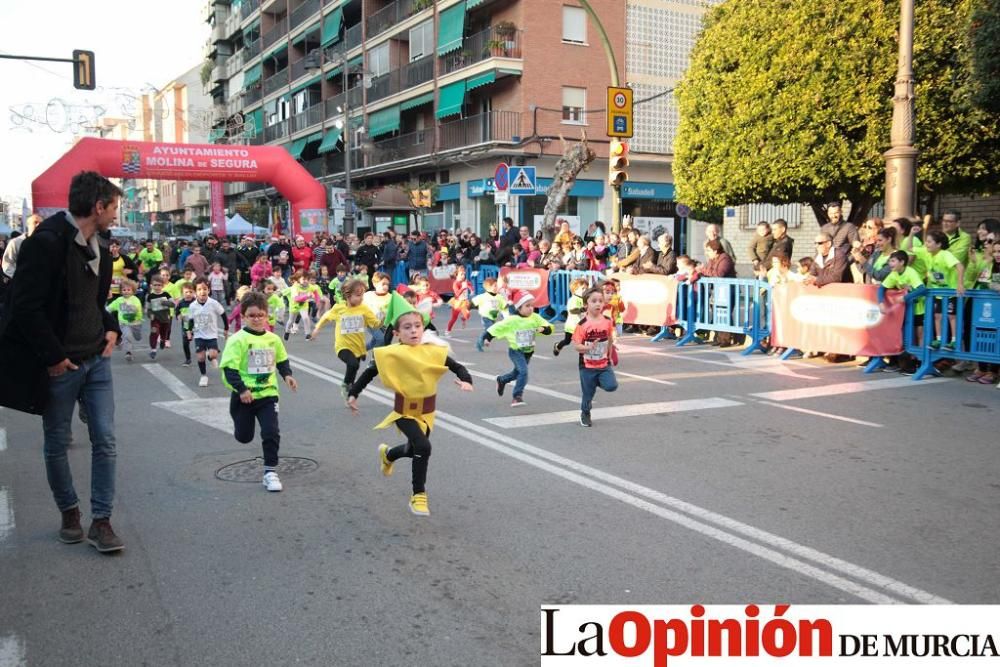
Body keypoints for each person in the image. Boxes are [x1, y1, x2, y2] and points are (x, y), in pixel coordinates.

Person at [0, 171, 124, 552]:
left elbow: (96, 302)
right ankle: (69, 512)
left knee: (105, 440)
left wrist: (111, 327)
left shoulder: (101, 245)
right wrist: (53, 357)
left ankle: (101, 521)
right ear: (97, 207)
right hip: (62, 366)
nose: (116, 216)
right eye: (114, 208)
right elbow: (25, 307)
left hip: (96, 361)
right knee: (56, 442)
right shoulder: (47, 242)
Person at [347, 293, 474, 516]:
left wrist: (466, 380)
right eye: (407, 327)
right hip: (404, 411)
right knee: (424, 447)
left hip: (427, 412)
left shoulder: (433, 351)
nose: (414, 330)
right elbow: (369, 373)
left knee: (413, 449)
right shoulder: (391, 354)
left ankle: (388, 455)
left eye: (417, 326)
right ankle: (418, 496)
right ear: (396, 333)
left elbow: (458, 367)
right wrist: (353, 393)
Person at [220, 290, 298, 492]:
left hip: (268, 395)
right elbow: (229, 368)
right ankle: (238, 419)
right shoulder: (237, 340)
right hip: (244, 397)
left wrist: (287, 375)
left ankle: (270, 472)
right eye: (251, 316)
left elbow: (281, 359)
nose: (256, 319)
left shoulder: (273, 339)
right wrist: (241, 389)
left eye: (260, 315)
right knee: (244, 436)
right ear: (243, 316)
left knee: (271, 431)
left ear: (267, 315)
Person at [312, 278, 381, 399]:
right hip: (342, 346)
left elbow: (374, 324)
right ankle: (345, 385)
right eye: (358, 295)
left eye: (362, 295)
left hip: (358, 347)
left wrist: (382, 319)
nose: (361, 298)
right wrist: (317, 328)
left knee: (354, 368)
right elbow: (326, 317)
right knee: (353, 365)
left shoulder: (364, 309)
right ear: (348, 295)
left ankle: (350, 390)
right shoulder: (339, 308)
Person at [483, 293, 554, 408]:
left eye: (532, 306)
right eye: (527, 306)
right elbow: (497, 327)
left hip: (528, 351)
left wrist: (544, 329)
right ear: (519, 307)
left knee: (517, 373)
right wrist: (487, 338)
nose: (531, 308)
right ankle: (517, 396)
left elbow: (549, 327)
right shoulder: (512, 320)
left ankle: (502, 380)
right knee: (524, 372)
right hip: (516, 351)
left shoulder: (535, 317)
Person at [572, 286, 618, 427]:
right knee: (588, 394)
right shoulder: (582, 325)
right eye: (594, 301)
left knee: (611, 386)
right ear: (586, 304)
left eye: (600, 301)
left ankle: (599, 380)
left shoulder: (607, 321)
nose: (598, 304)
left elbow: (609, 338)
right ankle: (585, 413)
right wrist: (589, 347)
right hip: (587, 366)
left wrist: (611, 352)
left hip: (604, 364)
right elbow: (576, 346)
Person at [185, 277, 228, 387]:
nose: (202, 291)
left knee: (213, 355)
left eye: (205, 289)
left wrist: (226, 328)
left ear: (209, 290)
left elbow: (223, 315)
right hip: (199, 335)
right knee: (200, 357)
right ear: (195, 292)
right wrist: (188, 331)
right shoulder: (192, 306)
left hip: (211, 335)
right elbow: (188, 320)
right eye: (199, 289)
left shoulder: (213, 303)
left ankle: (211, 356)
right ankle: (203, 376)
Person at [552, 278, 589, 357]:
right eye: (582, 288)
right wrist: (581, 309)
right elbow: (572, 310)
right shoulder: (573, 300)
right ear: (575, 289)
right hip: (572, 325)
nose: (585, 290)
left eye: (586, 288)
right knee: (567, 341)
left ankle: (585, 358)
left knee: (583, 341)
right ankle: (558, 346)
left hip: (582, 326)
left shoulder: (585, 299)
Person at [472, 277, 506, 352]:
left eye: (497, 285)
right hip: (485, 316)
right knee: (491, 329)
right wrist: (467, 307)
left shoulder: (499, 297)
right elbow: (473, 302)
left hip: (493, 318)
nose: (496, 287)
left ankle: (480, 342)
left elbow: (504, 305)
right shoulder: (483, 296)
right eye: (494, 286)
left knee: (492, 331)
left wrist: (509, 305)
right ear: (488, 288)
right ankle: (482, 340)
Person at [145, 276, 174, 359]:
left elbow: (173, 304)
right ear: (151, 286)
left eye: (159, 285)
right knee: (154, 332)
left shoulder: (166, 294)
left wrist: (165, 303)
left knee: (164, 332)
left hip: (165, 318)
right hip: (155, 319)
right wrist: (150, 315)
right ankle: (153, 350)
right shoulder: (150, 296)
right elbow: (148, 308)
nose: (157, 287)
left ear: (163, 286)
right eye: (155, 285)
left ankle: (162, 340)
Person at [445, 265, 472, 335]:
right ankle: (448, 330)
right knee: (454, 318)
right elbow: (457, 294)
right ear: (456, 275)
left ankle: (463, 318)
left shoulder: (465, 281)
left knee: (467, 315)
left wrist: (471, 290)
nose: (463, 276)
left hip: (464, 302)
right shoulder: (455, 283)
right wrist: (463, 288)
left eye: (464, 274)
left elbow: (470, 285)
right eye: (461, 274)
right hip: (457, 302)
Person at [175, 282, 196, 366]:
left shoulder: (196, 302)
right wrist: (178, 316)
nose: (188, 294)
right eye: (186, 292)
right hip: (186, 325)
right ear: (182, 293)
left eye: (191, 292)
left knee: (200, 340)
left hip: (196, 324)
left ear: (194, 292)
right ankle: (188, 359)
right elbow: (177, 312)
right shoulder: (181, 303)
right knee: (185, 343)